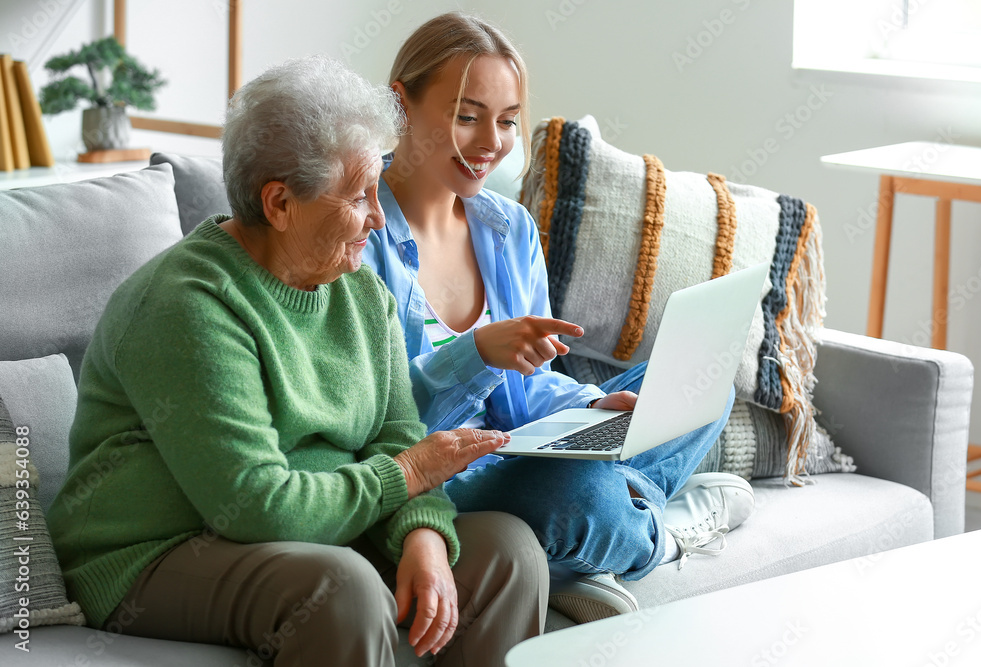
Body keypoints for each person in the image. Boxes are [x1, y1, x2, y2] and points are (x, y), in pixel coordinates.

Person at [47, 56, 548, 667]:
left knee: (507, 550)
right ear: (280, 203)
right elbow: (257, 503)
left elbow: (396, 434)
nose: (378, 217)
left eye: (378, 188)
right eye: (359, 195)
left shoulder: (361, 291)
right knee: (339, 590)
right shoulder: (188, 305)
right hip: (158, 551)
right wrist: (411, 476)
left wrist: (422, 532)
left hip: (317, 527)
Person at [363, 12, 756, 624]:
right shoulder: (357, 236)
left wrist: (590, 405)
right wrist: (477, 353)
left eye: (507, 121)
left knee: (701, 383)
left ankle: (596, 543)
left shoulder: (508, 228)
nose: (491, 142)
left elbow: (529, 391)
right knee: (577, 492)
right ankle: (665, 532)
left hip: (519, 451)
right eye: (467, 116)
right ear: (401, 105)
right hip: (436, 478)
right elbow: (370, 419)